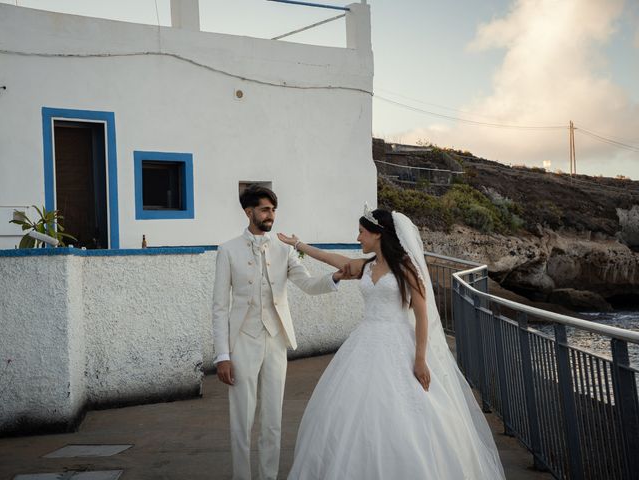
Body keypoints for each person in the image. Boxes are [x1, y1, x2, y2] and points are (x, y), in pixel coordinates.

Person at [279, 205, 506, 480]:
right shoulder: (366, 267)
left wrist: (420, 359)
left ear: (378, 234)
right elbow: (331, 259)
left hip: (399, 343)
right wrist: (299, 244)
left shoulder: (406, 268)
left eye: (362, 232)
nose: (358, 237)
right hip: (364, 343)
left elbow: (422, 317)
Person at [212, 185, 344, 480]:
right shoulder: (227, 250)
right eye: (265, 209)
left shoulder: (284, 249)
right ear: (249, 212)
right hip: (242, 341)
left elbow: (308, 285)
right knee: (241, 421)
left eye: (273, 210)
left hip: (276, 340)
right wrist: (222, 355)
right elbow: (219, 307)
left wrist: (334, 277)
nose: (271, 215)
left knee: (272, 419)